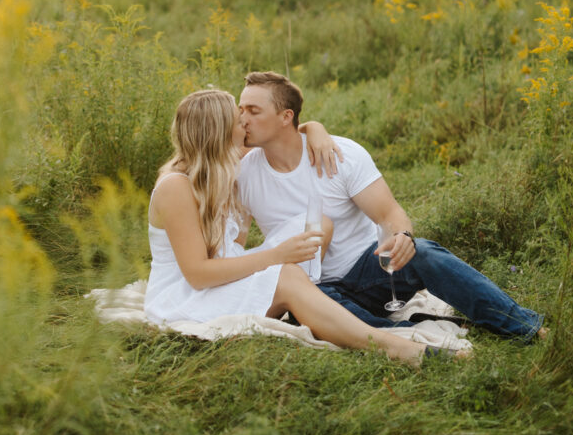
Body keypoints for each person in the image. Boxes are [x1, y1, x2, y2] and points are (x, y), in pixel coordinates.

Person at [143, 88, 453, 366]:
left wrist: (315, 129)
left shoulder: (222, 165)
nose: (247, 125)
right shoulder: (176, 188)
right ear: (219, 133)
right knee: (287, 274)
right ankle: (390, 345)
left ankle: (312, 305)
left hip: (222, 277)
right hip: (187, 297)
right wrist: (276, 256)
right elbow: (197, 275)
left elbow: (284, 133)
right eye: (239, 121)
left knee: (318, 225)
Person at [238, 71, 545, 339]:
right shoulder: (243, 172)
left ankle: (522, 325)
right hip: (310, 289)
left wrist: (402, 237)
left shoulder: (341, 154)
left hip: (368, 269)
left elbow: (389, 214)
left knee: (425, 252)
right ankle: (409, 335)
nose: (242, 119)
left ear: (285, 117)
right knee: (315, 307)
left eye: (253, 111)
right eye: (241, 110)